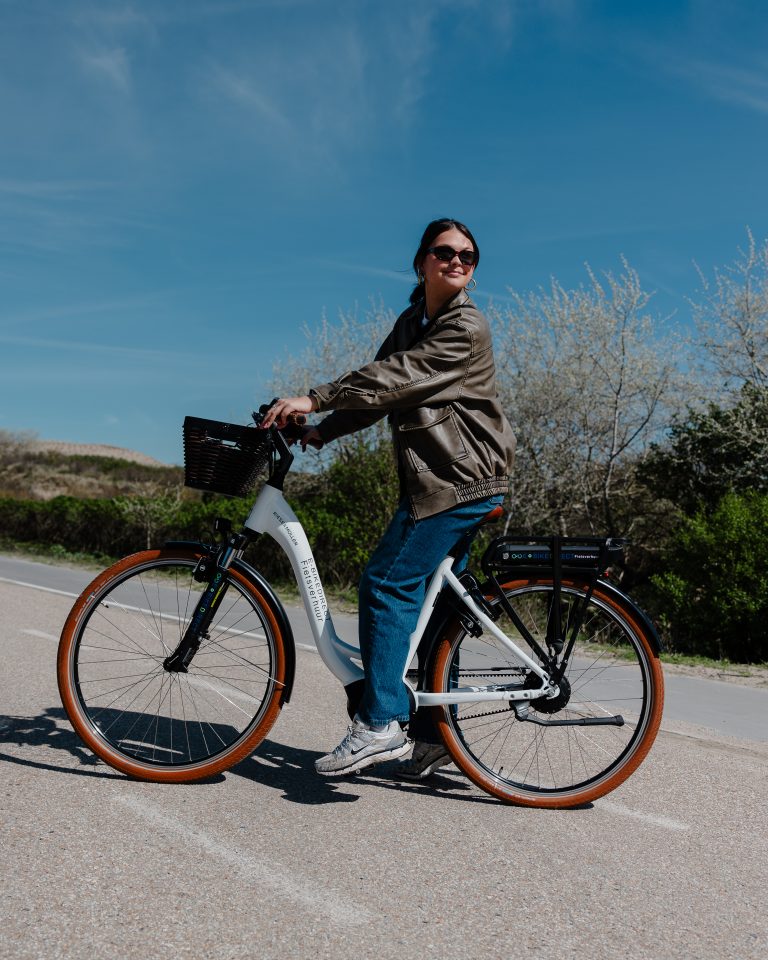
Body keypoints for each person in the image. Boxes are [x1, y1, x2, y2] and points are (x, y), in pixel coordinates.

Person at [260, 218, 516, 778]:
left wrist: (315, 396)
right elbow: (378, 394)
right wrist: (324, 429)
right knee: (437, 609)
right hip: (449, 479)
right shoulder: (413, 320)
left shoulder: (464, 326)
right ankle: (433, 734)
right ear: (422, 261)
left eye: (468, 256)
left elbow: (397, 377)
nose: (457, 261)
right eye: (445, 252)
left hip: (458, 480)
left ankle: (379, 724)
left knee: (385, 582)